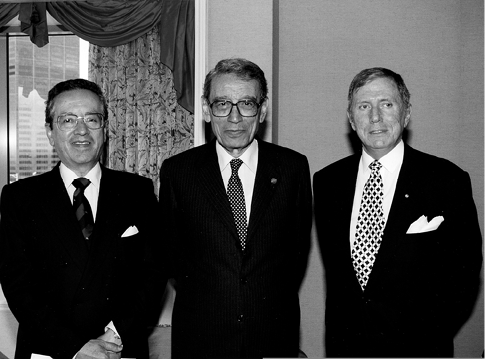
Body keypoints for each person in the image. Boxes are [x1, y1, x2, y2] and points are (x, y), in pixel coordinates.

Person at [313, 67, 482, 357]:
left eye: (386, 104)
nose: (375, 117)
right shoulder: (327, 182)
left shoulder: (445, 180)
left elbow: (464, 275)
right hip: (347, 350)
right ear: (352, 119)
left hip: (419, 349)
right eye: (364, 106)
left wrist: (429, 335)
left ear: (406, 113)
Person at [159, 58, 312, 358]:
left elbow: (296, 255)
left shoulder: (293, 168)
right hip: (202, 339)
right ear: (206, 109)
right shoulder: (179, 172)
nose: (234, 117)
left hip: (272, 337)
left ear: (263, 109)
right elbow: (172, 257)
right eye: (222, 104)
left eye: (246, 103)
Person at [0, 79, 162, 359]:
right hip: (49, 350)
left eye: (92, 119)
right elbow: (19, 285)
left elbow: (153, 273)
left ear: (105, 129)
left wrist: (113, 337)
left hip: (119, 348)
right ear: (50, 132)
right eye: (68, 120)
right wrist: (76, 346)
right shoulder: (20, 198)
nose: (82, 130)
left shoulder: (138, 191)